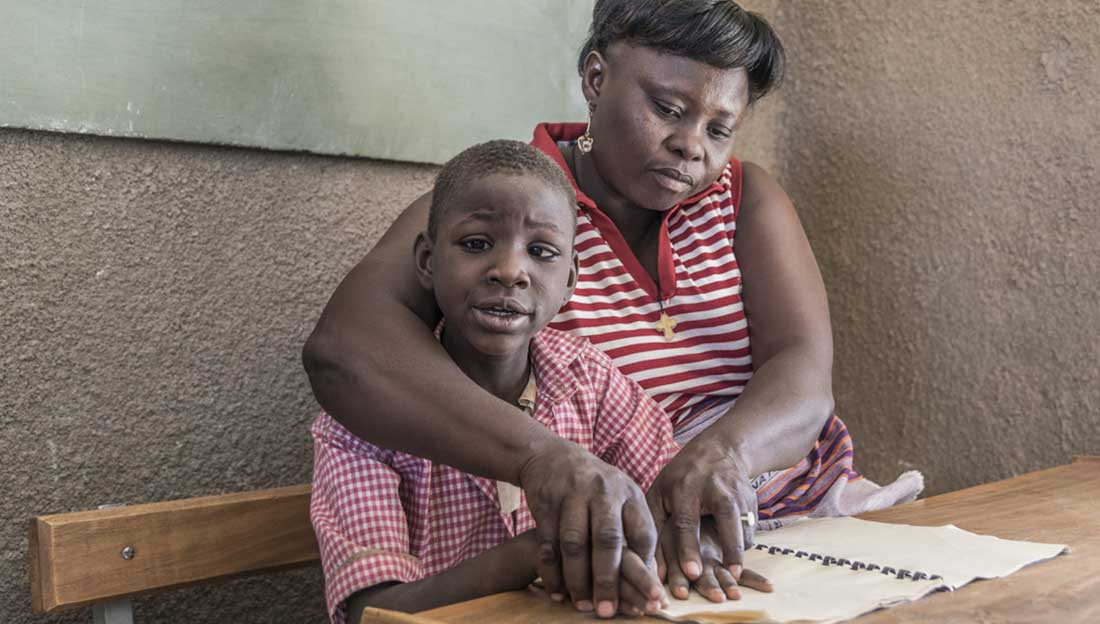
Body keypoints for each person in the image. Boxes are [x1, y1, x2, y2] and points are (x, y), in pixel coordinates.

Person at [303, 0, 922, 619]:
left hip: (792, 521)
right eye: (668, 110)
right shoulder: (512, 208)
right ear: (597, 79)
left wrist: (726, 451)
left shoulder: (744, 199)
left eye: (719, 128)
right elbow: (347, 352)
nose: (690, 147)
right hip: (634, 545)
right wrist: (545, 460)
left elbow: (805, 376)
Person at [311, 140, 695, 623]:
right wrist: (541, 552)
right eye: (476, 244)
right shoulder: (364, 419)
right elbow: (371, 611)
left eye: (541, 251)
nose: (510, 271)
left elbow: (667, 503)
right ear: (427, 262)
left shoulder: (589, 381)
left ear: (571, 280)